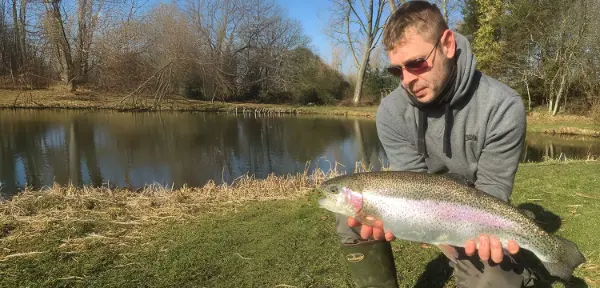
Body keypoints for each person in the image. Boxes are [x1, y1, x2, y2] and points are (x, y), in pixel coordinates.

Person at [335, 1, 532, 288]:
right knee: (350, 214)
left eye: (416, 64)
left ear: (448, 44)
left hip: (474, 208)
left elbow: (493, 190)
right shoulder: (391, 112)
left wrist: (473, 233)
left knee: (498, 279)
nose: (407, 81)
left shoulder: (503, 106)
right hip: (421, 206)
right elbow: (411, 181)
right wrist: (417, 225)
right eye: (397, 71)